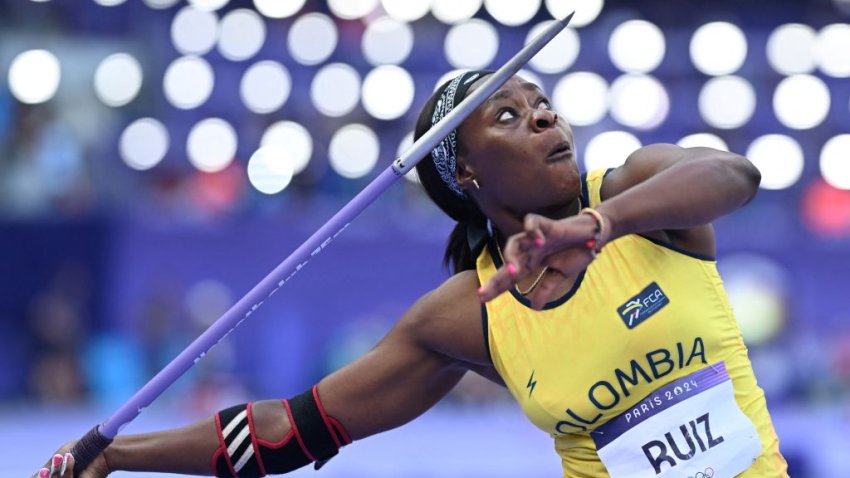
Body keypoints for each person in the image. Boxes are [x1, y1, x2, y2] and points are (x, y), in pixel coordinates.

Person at [35, 70, 788, 478]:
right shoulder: (470, 313)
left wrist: (597, 226)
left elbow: (733, 173)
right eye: (508, 117)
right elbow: (289, 432)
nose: (545, 121)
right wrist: (112, 457)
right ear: (465, 173)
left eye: (545, 106)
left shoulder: (636, 195)